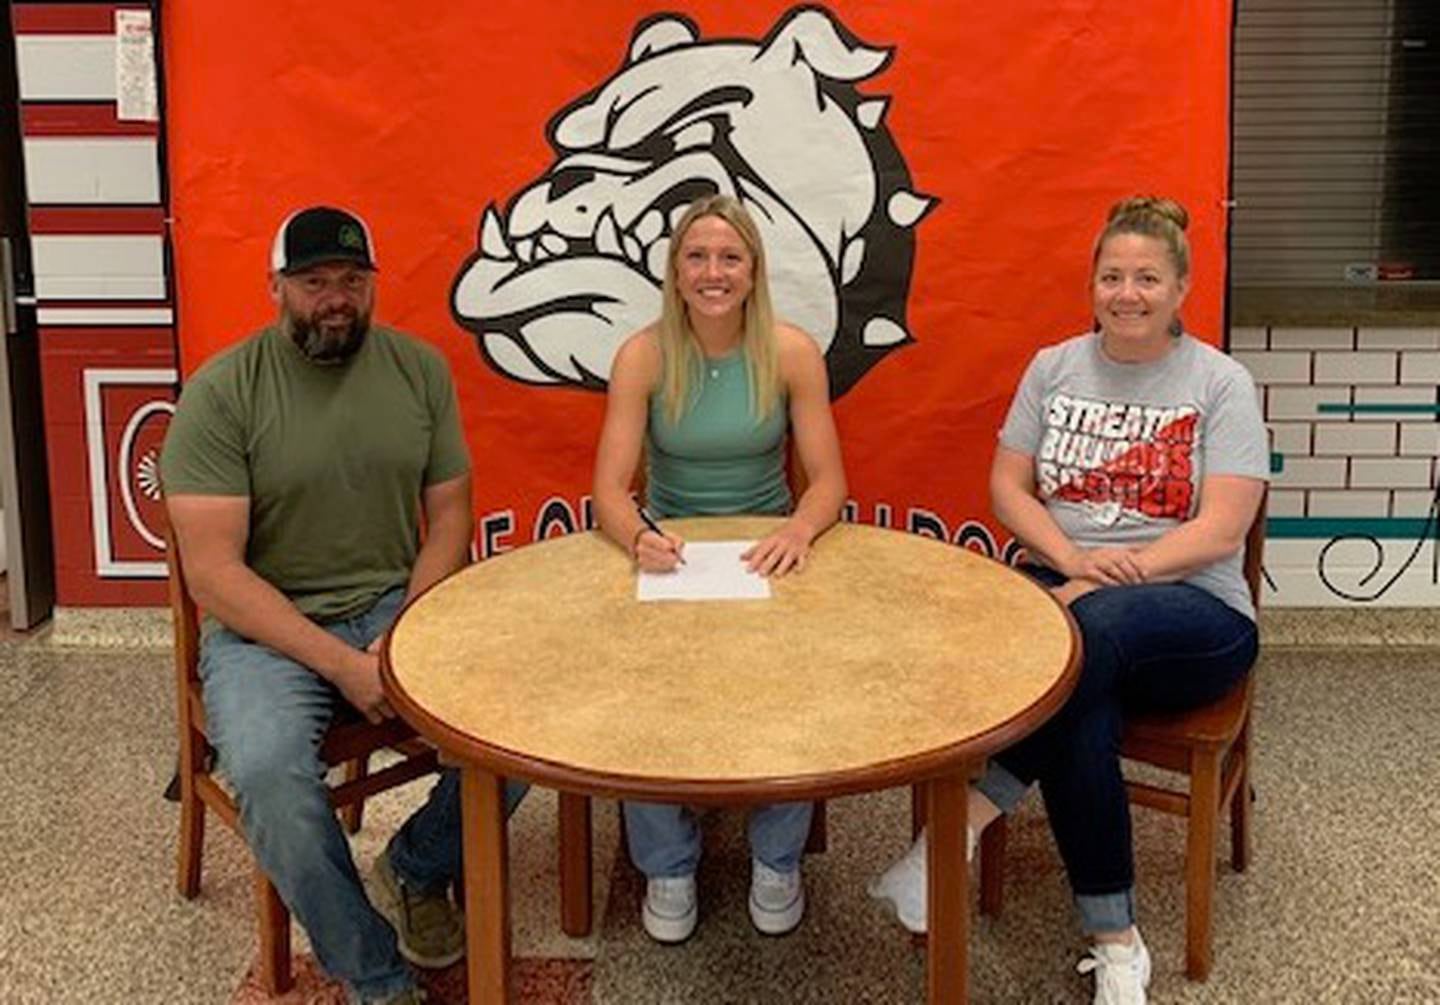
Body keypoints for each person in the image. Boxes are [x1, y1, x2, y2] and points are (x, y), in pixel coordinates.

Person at [870, 196, 1268, 1004]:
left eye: (1148, 278)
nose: (1129, 293)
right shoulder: (1053, 367)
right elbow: (1008, 488)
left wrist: (1096, 581)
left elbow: (1223, 527)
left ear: (1180, 287)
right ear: (1092, 286)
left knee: (1076, 639)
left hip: (1196, 612)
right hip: (1066, 595)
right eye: (1113, 276)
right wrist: (1068, 559)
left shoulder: (1220, 382)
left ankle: (958, 833)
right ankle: (1116, 938)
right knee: (1079, 700)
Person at [161, 206, 526, 1005]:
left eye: (352, 281)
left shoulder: (419, 370)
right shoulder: (221, 393)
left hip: (396, 603)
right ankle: (374, 973)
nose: (336, 298)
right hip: (266, 629)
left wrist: (406, 632)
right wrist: (345, 666)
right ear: (276, 287)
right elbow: (216, 575)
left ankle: (417, 866)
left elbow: (452, 517)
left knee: (525, 720)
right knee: (266, 768)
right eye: (315, 281)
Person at [590, 194, 848, 943]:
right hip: (672, 551)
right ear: (674, 272)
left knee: (791, 683)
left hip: (766, 546)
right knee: (646, 685)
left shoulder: (792, 350)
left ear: (753, 271)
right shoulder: (642, 355)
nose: (713, 272)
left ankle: (778, 858)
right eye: (697, 257)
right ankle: (667, 863)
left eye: (729, 257)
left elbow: (828, 479)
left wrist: (799, 528)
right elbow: (608, 488)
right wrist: (638, 535)